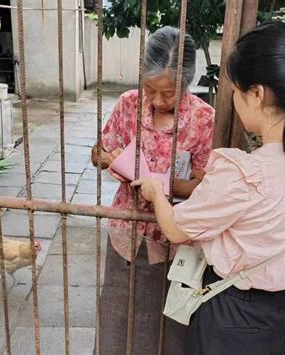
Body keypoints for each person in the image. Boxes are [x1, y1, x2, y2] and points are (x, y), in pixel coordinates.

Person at [132, 22, 285, 354]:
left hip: (229, 310)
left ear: (257, 94)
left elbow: (174, 228)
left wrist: (157, 191)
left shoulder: (244, 173)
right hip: (279, 310)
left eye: (237, 90)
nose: (234, 98)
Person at [91, 26, 215, 354]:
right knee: (118, 320)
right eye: (150, 89)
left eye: (169, 94)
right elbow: (98, 153)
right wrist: (110, 158)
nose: (158, 100)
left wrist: (162, 186)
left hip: (174, 237)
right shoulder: (128, 104)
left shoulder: (203, 118)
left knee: (167, 327)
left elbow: (203, 183)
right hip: (126, 230)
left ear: (187, 83)